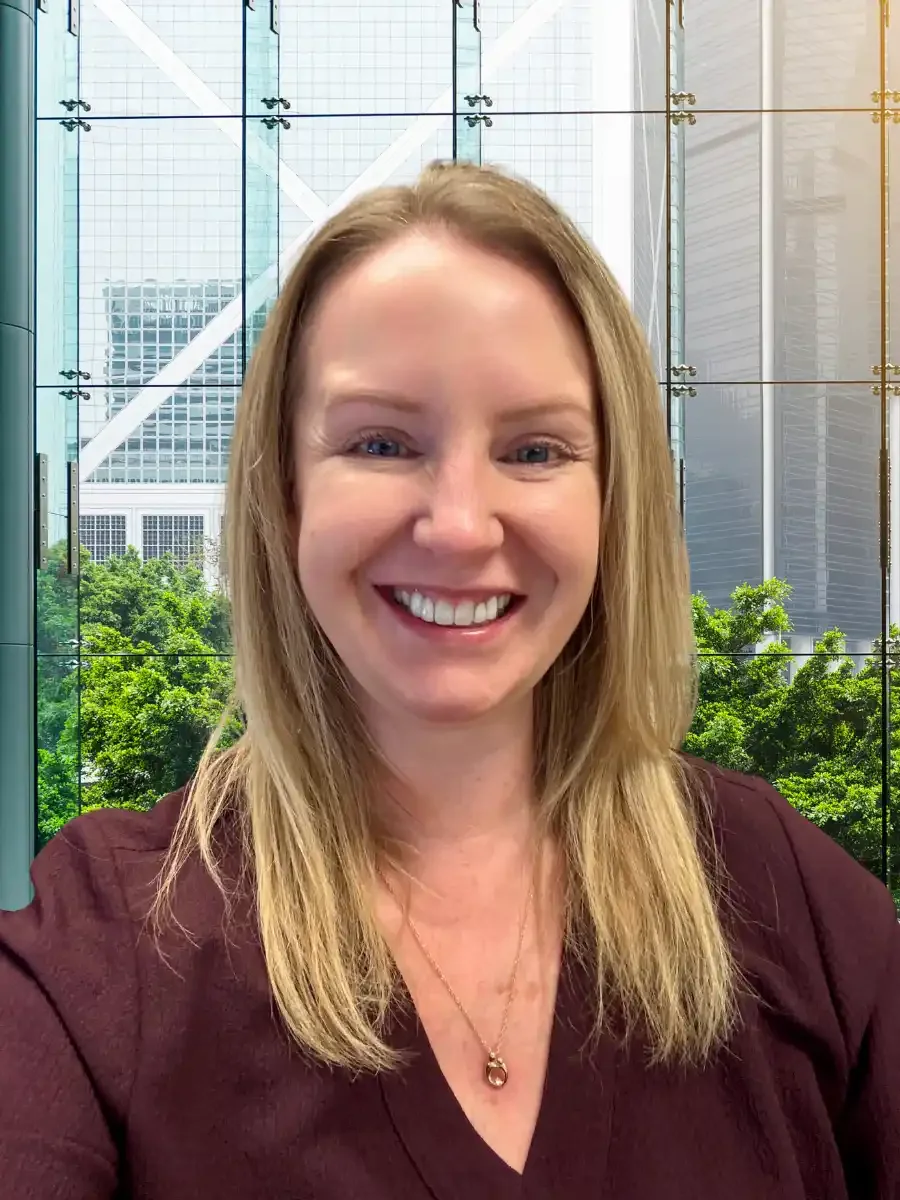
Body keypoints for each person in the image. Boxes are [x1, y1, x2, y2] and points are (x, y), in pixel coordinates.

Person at [1, 160, 898, 1199]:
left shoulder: (785, 897)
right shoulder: (106, 948)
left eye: (535, 449)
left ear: (617, 499)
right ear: (281, 491)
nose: (462, 525)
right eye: (381, 442)